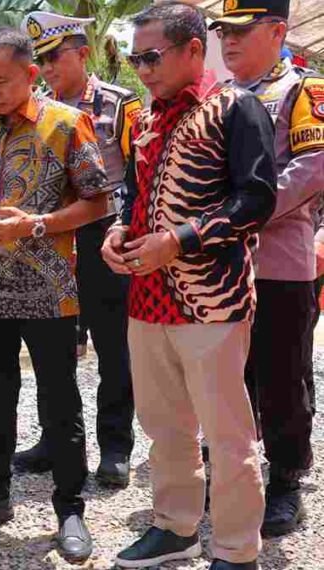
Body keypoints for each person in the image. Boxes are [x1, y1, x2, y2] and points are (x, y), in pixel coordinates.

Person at [102, 4, 275, 568]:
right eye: (135, 59)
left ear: (194, 51)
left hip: (212, 299)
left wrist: (178, 239)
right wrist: (116, 231)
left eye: (151, 57)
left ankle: (235, 548)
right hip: (146, 298)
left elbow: (257, 201)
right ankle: (175, 528)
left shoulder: (237, 108)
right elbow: (132, 192)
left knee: (227, 435)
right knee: (164, 426)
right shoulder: (144, 118)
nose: (141, 69)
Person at [0, 27, 109, 563]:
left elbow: (97, 202)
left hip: (49, 290)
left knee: (59, 400)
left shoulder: (67, 124)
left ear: (31, 74)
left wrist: (36, 225)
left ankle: (69, 507)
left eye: (2, 82)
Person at [12, 11, 142, 488]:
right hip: (51, 239)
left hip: (103, 237)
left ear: (83, 53)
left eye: (54, 57)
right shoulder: (37, 111)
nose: (47, 69)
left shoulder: (120, 105)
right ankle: (56, 440)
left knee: (112, 348)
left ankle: (114, 446)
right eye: (40, 61)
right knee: (54, 350)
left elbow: (138, 175)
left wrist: (126, 231)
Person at [212, 0, 323, 538]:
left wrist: (242, 212)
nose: (229, 42)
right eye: (223, 32)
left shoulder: (303, 90)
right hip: (219, 260)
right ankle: (235, 468)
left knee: (282, 375)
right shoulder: (217, 97)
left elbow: (311, 167)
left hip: (279, 261)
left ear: (278, 31)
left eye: (242, 30)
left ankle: (285, 480)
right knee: (228, 373)